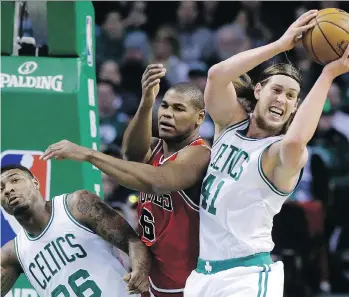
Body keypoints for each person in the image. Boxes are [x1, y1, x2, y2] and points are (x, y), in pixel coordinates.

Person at [183, 9, 349, 297]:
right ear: (258, 90)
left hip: (247, 278)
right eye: (277, 90)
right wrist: (280, 45)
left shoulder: (277, 154)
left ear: (296, 108)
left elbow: (296, 141)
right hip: (202, 276)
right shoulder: (229, 127)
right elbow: (216, 76)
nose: (281, 99)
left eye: (290, 96)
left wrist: (329, 73)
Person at [41, 65, 211, 297]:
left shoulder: (199, 153)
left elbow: (157, 182)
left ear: (199, 117)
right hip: (151, 276)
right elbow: (131, 155)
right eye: (165, 106)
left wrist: (89, 154)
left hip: (186, 283)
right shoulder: (156, 147)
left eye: (179, 109)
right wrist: (147, 102)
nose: (167, 114)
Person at [0, 164, 150, 297]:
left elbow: (132, 241)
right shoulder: (12, 254)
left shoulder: (77, 206)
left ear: (35, 182)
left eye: (15, 180)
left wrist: (139, 270)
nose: (8, 190)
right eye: (1, 188)